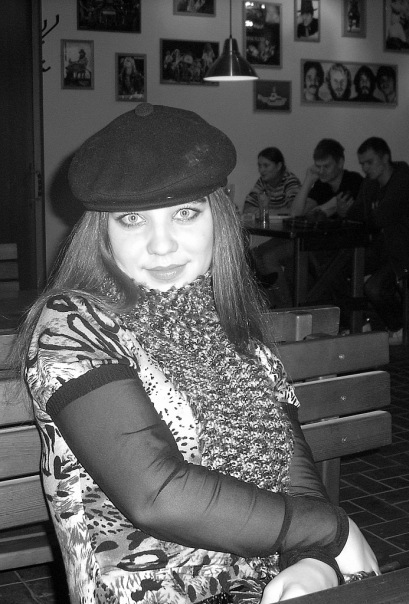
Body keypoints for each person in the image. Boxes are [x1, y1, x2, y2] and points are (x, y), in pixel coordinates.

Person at [12, 104, 379, 604]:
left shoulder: (234, 328)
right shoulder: (73, 325)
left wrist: (310, 562)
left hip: (257, 584)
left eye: (185, 213)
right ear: (103, 232)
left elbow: (292, 469)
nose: (161, 245)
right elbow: (156, 495)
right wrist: (333, 531)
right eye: (132, 219)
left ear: (218, 218)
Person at [337, 137, 409, 345]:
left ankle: (398, 327)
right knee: (334, 270)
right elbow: (356, 213)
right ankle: (359, 323)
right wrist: (348, 212)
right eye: (362, 164)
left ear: (385, 158)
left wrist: (363, 214)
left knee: (374, 288)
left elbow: (381, 217)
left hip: (402, 252)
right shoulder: (370, 183)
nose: (365, 168)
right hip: (380, 249)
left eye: (369, 162)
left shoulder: (402, 180)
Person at [243, 148, 301, 304]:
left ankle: (286, 305)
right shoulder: (262, 182)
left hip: (295, 238)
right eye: (259, 165)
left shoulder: (290, 181)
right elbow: (247, 207)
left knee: (268, 257)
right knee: (254, 254)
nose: (261, 170)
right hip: (279, 235)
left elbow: (294, 210)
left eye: (266, 165)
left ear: (279, 166)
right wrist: (269, 211)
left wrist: (267, 211)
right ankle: (272, 303)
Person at [292, 139, 363, 220]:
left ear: (340, 163)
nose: (321, 171)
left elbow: (318, 213)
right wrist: (308, 181)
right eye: (318, 166)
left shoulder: (354, 180)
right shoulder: (321, 184)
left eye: (326, 166)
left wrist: (314, 212)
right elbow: (295, 214)